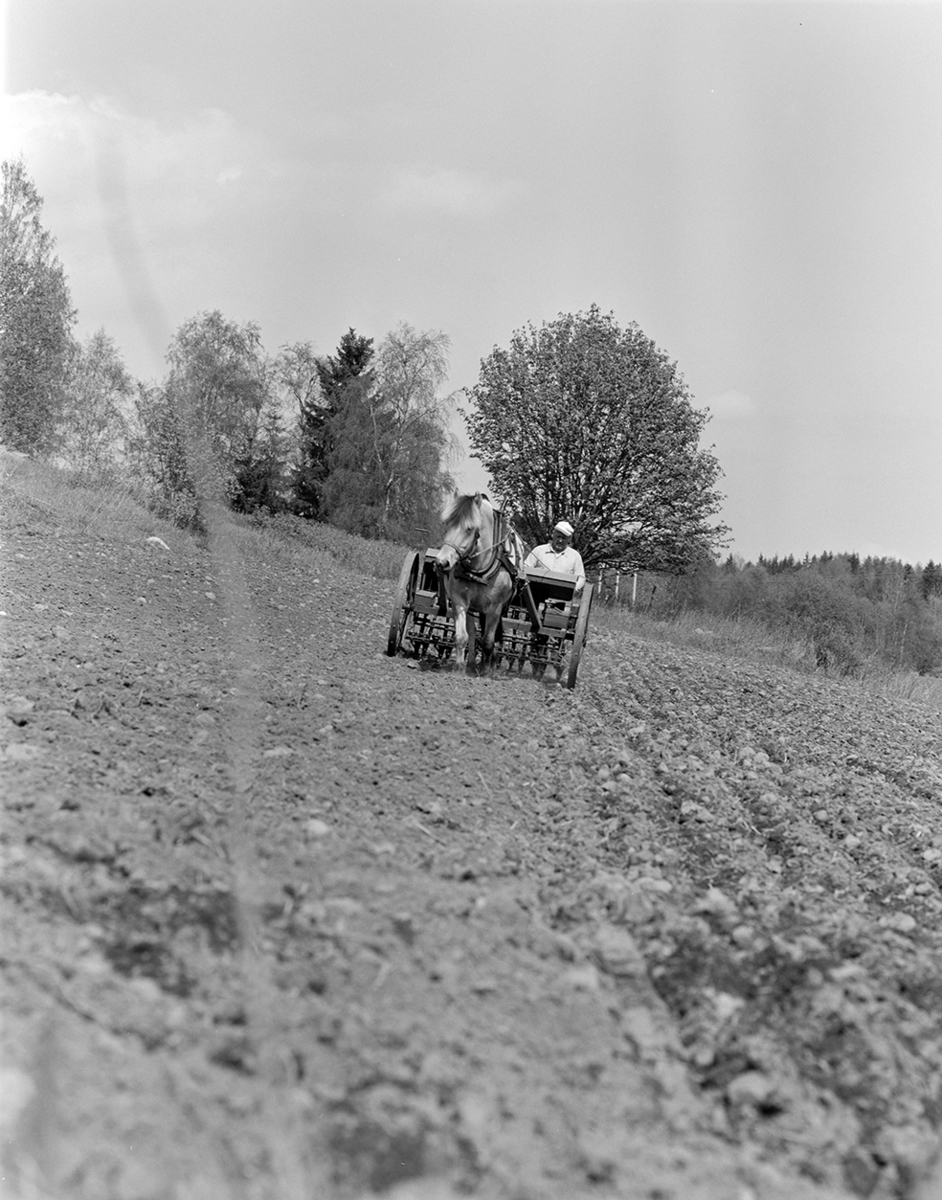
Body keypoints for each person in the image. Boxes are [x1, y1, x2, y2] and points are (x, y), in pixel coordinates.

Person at [524, 520, 586, 592]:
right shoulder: (539, 550)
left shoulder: (575, 556)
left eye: (563, 538)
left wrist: (573, 590)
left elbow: (581, 578)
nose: (560, 540)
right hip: (535, 593)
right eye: (558, 537)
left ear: (568, 539)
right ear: (553, 535)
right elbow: (526, 567)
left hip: (562, 596)